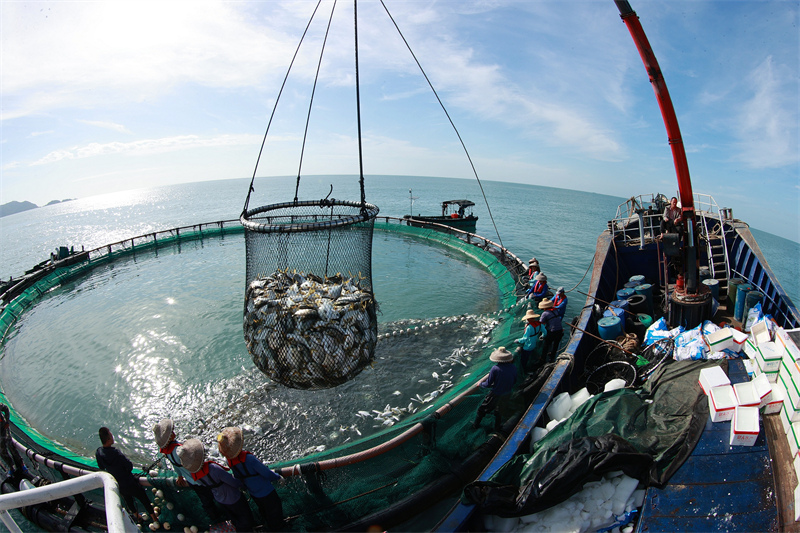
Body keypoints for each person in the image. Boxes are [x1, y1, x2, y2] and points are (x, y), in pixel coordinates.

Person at [152, 419, 224, 523]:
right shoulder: (178, 450)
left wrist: (180, 476)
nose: (173, 432)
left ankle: (214, 516)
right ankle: (219, 514)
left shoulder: (167, 452)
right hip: (199, 479)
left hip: (190, 480)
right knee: (211, 495)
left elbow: (176, 466)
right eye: (171, 433)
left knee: (205, 500)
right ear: (169, 438)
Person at [177, 438, 255, 532]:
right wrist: (243, 484)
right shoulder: (213, 469)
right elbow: (232, 481)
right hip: (233, 497)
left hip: (220, 498)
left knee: (233, 518)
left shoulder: (195, 475)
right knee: (245, 518)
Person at [217, 427, 285, 531]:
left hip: (254, 493)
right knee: (275, 512)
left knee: (264, 512)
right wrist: (278, 477)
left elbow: (238, 477)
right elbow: (265, 473)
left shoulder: (230, 462)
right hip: (266, 491)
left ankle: (270, 527)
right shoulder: (249, 459)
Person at [95, 427, 157, 524]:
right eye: (111, 435)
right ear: (108, 439)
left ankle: (138, 517)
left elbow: (101, 466)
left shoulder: (99, 452)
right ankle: (155, 519)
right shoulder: (116, 453)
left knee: (129, 500)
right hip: (129, 481)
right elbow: (129, 466)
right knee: (143, 497)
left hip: (118, 483)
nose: (112, 436)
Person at [472, 347, 517, 431]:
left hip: (496, 394)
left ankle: (475, 425)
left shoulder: (495, 369)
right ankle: (497, 427)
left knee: (482, 410)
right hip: (507, 393)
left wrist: (480, 384)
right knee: (499, 411)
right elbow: (514, 380)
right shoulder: (513, 367)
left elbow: (488, 384)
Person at [0, 404, 25, 479]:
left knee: (10, 445)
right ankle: (11, 467)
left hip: (4, 428)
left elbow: (6, 408)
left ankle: (22, 464)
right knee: (2, 451)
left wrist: (7, 422)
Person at [539, 298, 564, 363]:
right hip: (560, 331)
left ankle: (542, 359)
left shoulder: (545, 313)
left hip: (552, 332)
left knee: (546, 345)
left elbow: (541, 323)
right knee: (555, 345)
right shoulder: (555, 311)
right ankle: (552, 357)